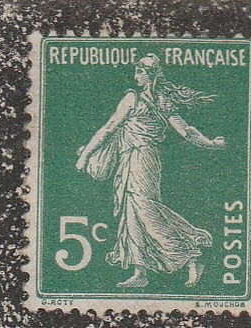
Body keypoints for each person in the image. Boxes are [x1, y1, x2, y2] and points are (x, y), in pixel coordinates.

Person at [76, 53, 225, 289]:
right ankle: (140, 271)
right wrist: (211, 143)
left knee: (145, 210)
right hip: (136, 159)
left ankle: (190, 254)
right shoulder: (160, 99)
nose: (136, 76)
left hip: (140, 158)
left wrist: (85, 156)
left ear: (149, 74)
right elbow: (186, 131)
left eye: (140, 71)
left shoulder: (133, 99)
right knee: (131, 213)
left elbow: (109, 128)